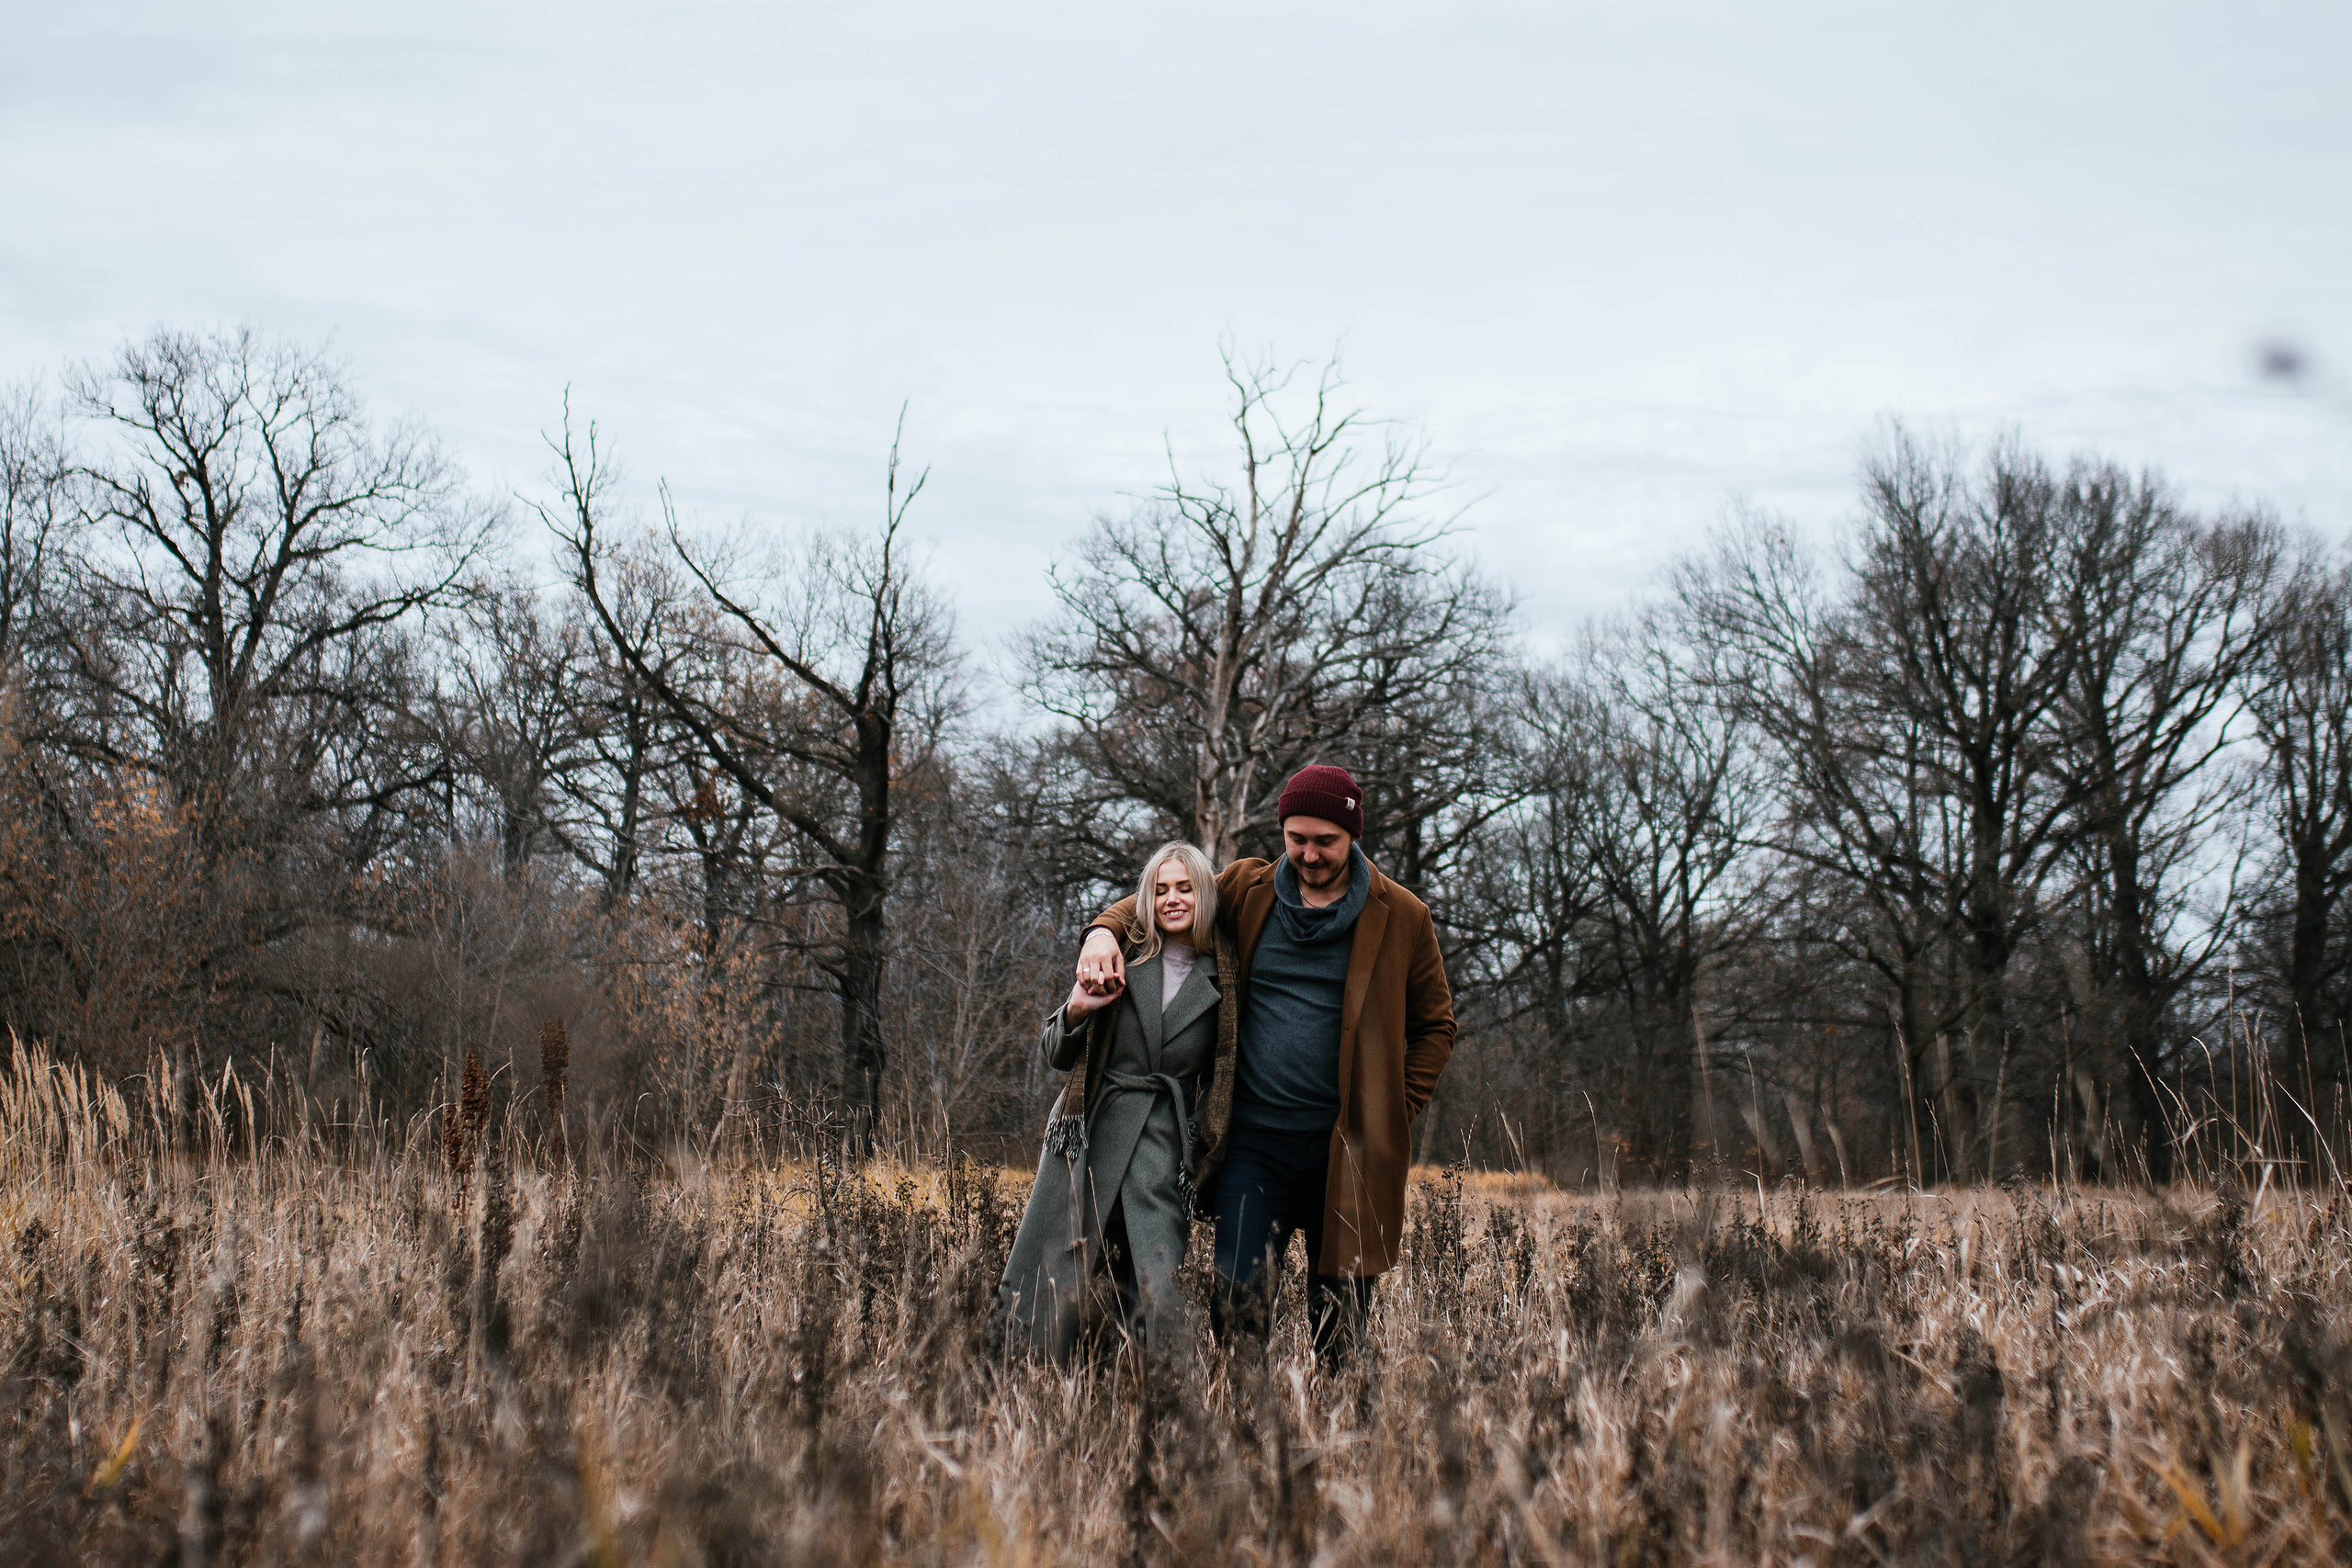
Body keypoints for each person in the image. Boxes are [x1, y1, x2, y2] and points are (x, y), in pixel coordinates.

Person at [1075, 764, 1455, 1359]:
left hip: (1350, 1148)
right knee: (1236, 1298)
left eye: (1324, 841)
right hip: (1254, 1145)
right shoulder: (1249, 889)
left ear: (1353, 834)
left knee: (1341, 1321)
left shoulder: (1404, 915)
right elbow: (1167, 894)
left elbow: (1435, 1026)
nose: (1308, 853)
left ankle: (1335, 1437)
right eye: (1296, 838)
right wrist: (1102, 932)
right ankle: (1246, 1428)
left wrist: (1396, 1109)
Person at [993, 841, 1238, 1361]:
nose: (1173, 899)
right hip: (1088, 1133)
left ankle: (1160, 1402)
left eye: (1186, 888)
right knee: (1052, 1273)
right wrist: (1078, 1009)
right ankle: (1021, 1381)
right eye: (1161, 889)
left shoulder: (1226, 978)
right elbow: (1055, 1052)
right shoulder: (1117, 956)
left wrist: (1196, 1139)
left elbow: (1224, 1073)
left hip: (1164, 1145)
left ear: (1205, 896)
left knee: (1157, 1282)